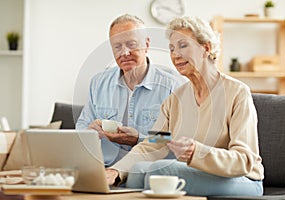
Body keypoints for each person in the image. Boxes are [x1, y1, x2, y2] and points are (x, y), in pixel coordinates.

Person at [105, 16, 264, 196]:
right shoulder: (175, 101)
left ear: (206, 48)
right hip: (198, 175)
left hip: (242, 180)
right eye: (171, 49)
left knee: (159, 171)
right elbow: (152, 145)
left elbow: (244, 159)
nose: (175, 55)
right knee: (137, 171)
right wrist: (116, 171)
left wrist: (198, 151)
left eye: (183, 45)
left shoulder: (237, 93)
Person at [76, 14, 184, 167]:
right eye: (117, 47)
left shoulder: (174, 85)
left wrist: (139, 138)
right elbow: (80, 129)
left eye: (131, 44)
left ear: (146, 44)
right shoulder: (98, 83)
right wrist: (90, 131)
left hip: (149, 171)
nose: (124, 53)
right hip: (104, 169)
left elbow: (177, 139)